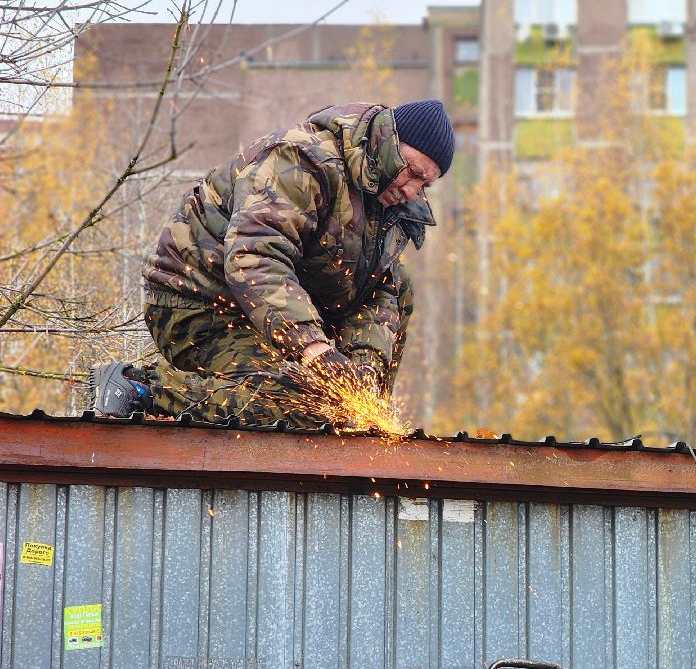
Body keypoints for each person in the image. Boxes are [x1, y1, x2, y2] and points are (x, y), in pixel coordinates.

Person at [90, 99, 454, 427]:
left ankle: (358, 418)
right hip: (200, 306)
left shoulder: (389, 205)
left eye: (425, 184)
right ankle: (141, 390)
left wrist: (362, 381)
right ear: (387, 143)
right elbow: (255, 259)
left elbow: (378, 297)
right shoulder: (301, 161)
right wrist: (315, 351)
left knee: (399, 287)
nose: (412, 191)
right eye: (412, 171)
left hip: (275, 318)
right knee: (316, 403)